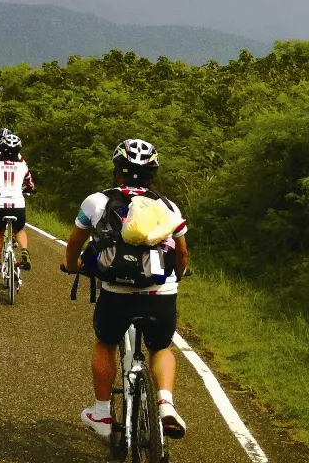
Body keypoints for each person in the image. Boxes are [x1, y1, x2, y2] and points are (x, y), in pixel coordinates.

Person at [64, 138, 189, 442]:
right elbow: (182, 254)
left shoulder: (96, 201)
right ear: (151, 175)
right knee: (160, 348)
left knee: (106, 343)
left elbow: (75, 243)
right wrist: (180, 275)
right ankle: (165, 403)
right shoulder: (168, 206)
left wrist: (72, 265)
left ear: (118, 171)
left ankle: (102, 412)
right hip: (160, 291)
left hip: (117, 293)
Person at [0, 132, 34, 272]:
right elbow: (31, 185)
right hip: (18, 205)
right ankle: (24, 251)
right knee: (19, 229)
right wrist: (28, 189)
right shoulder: (23, 167)